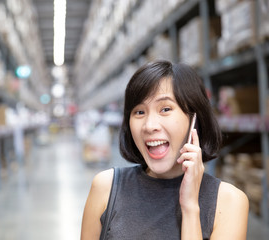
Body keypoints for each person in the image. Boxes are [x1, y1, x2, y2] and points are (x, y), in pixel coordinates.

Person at [81, 60, 249, 239]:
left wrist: (190, 207)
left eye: (165, 109)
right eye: (139, 112)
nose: (149, 125)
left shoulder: (229, 202)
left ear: (195, 119)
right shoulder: (106, 188)